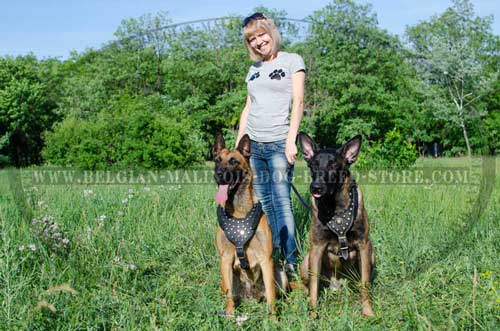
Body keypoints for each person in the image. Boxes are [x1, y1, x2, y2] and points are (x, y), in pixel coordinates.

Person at [236, 13, 305, 275]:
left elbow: (298, 103)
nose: (257, 42)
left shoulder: (292, 61)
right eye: (251, 39)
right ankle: (271, 257)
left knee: (282, 201)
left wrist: (291, 140)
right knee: (263, 203)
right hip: (253, 146)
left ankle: (291, 263)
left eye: (260, 35)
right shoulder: (253, 70)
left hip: (278, 143)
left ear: (271, 31)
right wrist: (239, 144)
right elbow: (248, 106)